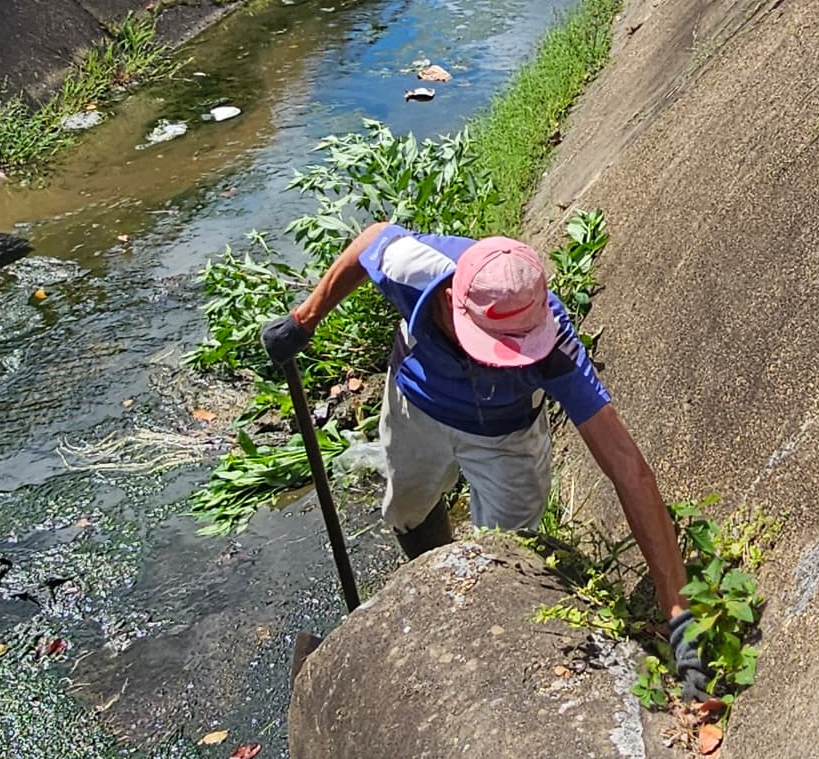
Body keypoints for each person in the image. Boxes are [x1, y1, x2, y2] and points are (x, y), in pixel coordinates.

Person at [262, 223, 711, 699]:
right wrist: (304, 319)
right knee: (408, 510)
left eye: (519, 349)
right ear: (452, 301)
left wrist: (678, 613)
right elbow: (369, 240)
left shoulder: (552, 343)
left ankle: (491, 646)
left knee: (509, 561)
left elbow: (627, 467)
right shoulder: (412, 266)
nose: (506, 359)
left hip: (506, 437)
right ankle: (435, 577)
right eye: (497, 348)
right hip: (418, 406)